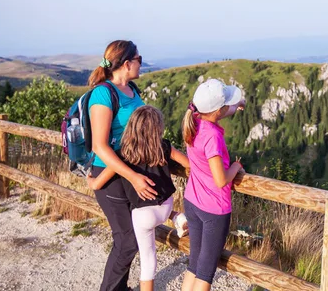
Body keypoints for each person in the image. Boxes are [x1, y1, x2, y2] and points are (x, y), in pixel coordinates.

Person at [87, 105, 190, 291]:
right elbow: (188, 163)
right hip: (165, 205)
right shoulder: (164, 147)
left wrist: (91, 181)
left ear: (132, 126)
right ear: (158, 128)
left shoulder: (123, 154)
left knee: (148, 257)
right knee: (163, 213)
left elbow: (98, 183)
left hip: (143, 214)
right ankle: (176, 216)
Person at [87, 40, 157, 291]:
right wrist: (134, 178)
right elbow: (100, 146)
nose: (142, 62)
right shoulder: (103, 93)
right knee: (127, 239)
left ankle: (119, 287)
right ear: (127, 63)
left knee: (129, 237)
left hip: (127, 172)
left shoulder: (132, 89)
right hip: (111, 175)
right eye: (139, 58)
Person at [180, 79, 246, 291]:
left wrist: (237, 104)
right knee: (206, 272)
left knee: (194, 265)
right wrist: (236, 166)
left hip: (192, 201)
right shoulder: (213, 137)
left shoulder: (196, 121)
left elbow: (221, 111)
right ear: (218, 110)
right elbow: (221, 179)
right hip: (213, 210)